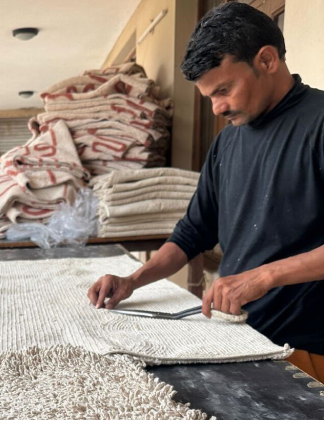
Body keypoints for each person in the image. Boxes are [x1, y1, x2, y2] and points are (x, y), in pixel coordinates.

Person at [87, 2, 324, 381]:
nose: (217, 108)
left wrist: (263, 277)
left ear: (266, 60)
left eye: (225, 90)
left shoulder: (320, 122)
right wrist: (134, 280)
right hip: (235, 339)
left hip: (305, 350)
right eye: (209, 97)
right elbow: (193, 232)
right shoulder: (227, 143)